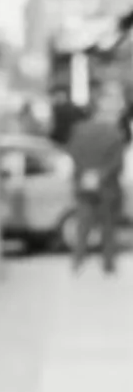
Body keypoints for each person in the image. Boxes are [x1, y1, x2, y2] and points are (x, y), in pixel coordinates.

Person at [65, 86, 126, 275]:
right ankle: (108, 264)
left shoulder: (78, 130)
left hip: (84, 186)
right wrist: (100, 175)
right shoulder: (115, 133)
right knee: (108, 228)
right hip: (108, 187)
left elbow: (73, 154)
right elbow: (117, 163)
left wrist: (86, 174)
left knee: (83, 225)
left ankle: (78, 260)